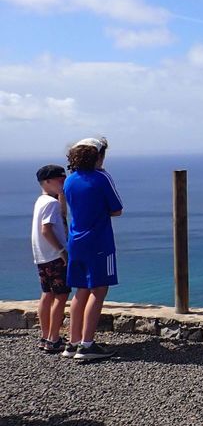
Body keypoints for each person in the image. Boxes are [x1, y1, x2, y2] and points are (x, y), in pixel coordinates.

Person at [61, 137, 123, 361]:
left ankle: (73, 342)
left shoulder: (69, 180)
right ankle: (87, 345)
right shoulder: (101, 178)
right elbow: (116, 209)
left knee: (81, 290)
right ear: (98, 156)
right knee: (98, 290)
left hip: (76, 240)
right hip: (98, 241)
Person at [31, 164, 71, 354]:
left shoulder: (42, 201)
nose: (63, 182)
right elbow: (46, 230)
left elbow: (62, 216)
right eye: (59, 179)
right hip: (55, 257)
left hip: (42, 256)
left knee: (47, 294)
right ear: (47, 181)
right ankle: (54, 339)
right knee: (61, 296)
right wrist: (62, 251)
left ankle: (46, 336)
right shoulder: (51, 204)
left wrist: (61, 195)